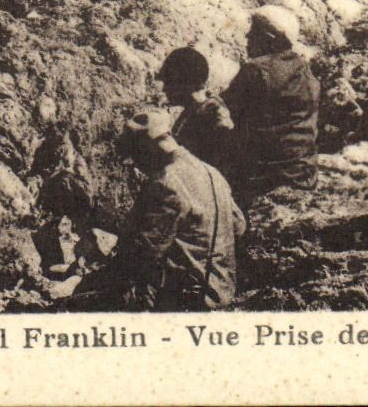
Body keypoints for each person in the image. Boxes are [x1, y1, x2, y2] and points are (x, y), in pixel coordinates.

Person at [63, 109, 242, 311]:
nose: (138, 168)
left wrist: (92, 282)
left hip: (184, 299)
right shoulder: (212, 173)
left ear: (147, 148)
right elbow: (238, 227)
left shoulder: (166, 182)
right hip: (221, 292)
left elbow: (143, 254)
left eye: (136, 158)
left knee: (83, 300)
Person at [222, 6, 318, 208]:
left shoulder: (256, 70)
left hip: (265, 175)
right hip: (303, 171)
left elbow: (226, 108)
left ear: (268, 38)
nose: (247, 36)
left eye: (253, 31)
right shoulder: (304, 67)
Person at [156, 46, 234, 179]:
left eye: (168, 83)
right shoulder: (194, 111)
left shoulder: (213, 118)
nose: (164, 89)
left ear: (183, 83)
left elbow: (217, 173)